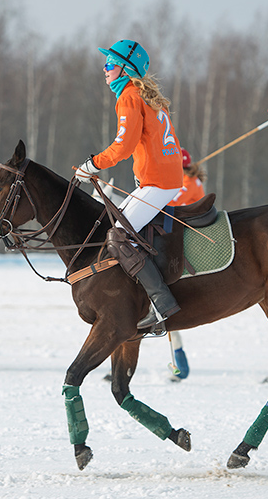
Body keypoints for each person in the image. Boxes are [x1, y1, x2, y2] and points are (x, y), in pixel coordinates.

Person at [75, 39, 183, 329]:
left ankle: (161, 301)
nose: (105, 68)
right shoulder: (144, 96)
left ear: (124, 68)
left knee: (118, 236)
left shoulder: (130, 97)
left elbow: (123, 146)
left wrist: (92, 165)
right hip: (160, 180)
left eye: (110, 63)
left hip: (159, 183)